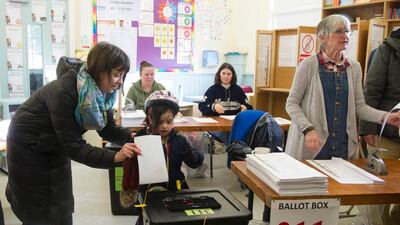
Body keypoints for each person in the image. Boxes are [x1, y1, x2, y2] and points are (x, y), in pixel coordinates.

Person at [6, 42, 142, 225]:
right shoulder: (65, 91)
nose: (120, 81)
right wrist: (113, 157)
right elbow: (73, 146)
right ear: (100, 70)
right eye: (116, 74)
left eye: (123, 75)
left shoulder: (99, 93)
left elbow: (107, 127)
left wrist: (130, 136)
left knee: (60, 204)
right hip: (27, 148)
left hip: (53, 143)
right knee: (38, 209)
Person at [285, 14, 400, 225]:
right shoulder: (308, 66)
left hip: (340, 146)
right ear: (322, 37)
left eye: (348, 31)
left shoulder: (353, 67)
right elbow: (291, 104)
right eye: (339, 31)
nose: (345, 36)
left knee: (332, 204)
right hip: (312, 146)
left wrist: (386, 117)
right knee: (307, 204)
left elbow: (359, 107)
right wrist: (308, 129)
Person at [119, 90, 204, 225]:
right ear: (150, 118)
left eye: (169, 121)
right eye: (160, 122)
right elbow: (131, 167)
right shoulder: (140, 138)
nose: (165, 126)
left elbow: (195, 162)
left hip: (176, 189)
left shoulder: (179, 140)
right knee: (147, 218)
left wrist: (190, 147)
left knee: (176, 219)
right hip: (147, 191)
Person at [359, 28, 400, 158]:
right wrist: (367, 129)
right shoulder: (387, 49)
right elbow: (371, 91)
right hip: (388, 135)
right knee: (385, 176)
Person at [199, 62, 253, 152]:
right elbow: (202, 106)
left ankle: (230, 149)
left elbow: (249, 107)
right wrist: (213, 106)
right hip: (217, 125)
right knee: (226, 134)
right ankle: (232, 149)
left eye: (228, 74)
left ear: (233, 76)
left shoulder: (238, 90)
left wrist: (245, 108)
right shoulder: (212, 90)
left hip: (234, 124)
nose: (226, 76)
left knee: (237, 132)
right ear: (219, 75)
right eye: (223, 73)